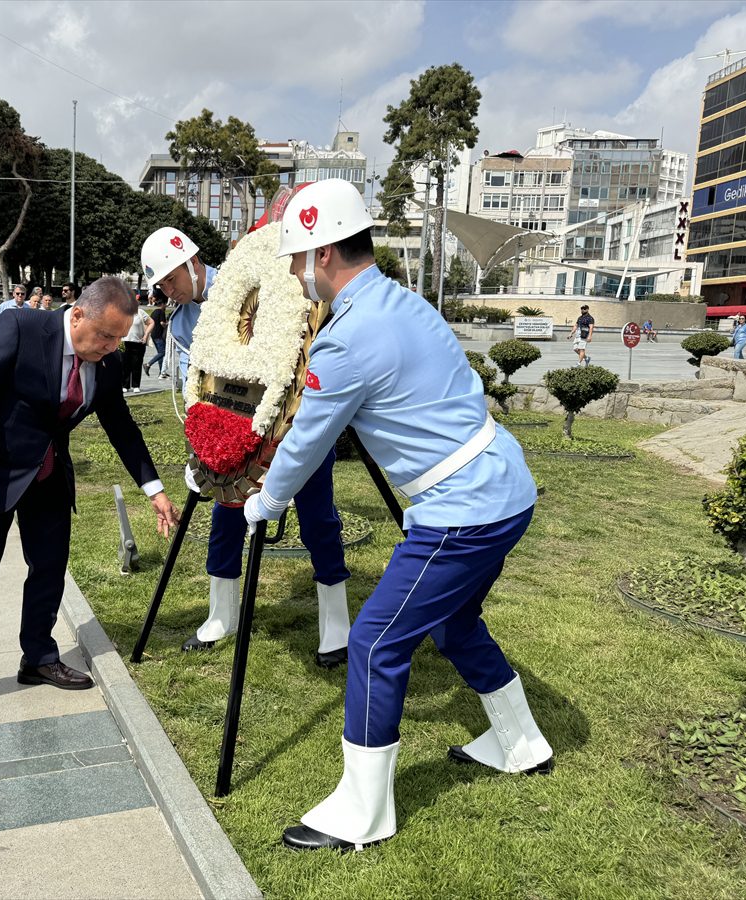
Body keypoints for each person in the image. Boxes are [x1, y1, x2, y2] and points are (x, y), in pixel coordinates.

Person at [243, 178, 551, 852]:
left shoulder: (347, 337)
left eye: (298, 259)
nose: (298, 274)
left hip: (463, 510)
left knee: (375, 642)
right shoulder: (404, 302)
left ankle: (364, 811)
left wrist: (262, 503)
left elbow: (304, 446)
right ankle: (522, 742)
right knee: (457, 624)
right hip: (505, 487)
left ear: (323, 255)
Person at [0, 277, 180, 727]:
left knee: (49, 567)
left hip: (48, 476)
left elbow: (122, 428)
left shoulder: (104, 363)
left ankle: (38, 658)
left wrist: (154, 489)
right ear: (78, 313)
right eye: (105, 335)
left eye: (118, 339)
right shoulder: (21, 327)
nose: (110, 347)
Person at [140, 227, 353, 665]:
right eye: (160, 284)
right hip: (229, 427)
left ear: (192, 262)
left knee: (317, 515)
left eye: (169, 278)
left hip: (292, 419)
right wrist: (200, 444)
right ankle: (222, 614)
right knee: (226, 516)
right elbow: (196, 382)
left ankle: (336, 621)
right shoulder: (182, 317)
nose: (167, 289)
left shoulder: (264, 278)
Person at [121, 302, 153, 393]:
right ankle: (125, 385)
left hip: (138, 342)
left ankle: (136, 385)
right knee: (125, 364)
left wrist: (146, 335)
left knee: (137, 364)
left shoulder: (141, 312)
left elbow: (151, 323)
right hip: (124, 341)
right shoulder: (123, 313)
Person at [143, 290, 168, 378]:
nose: (166, 306)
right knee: (163, 352)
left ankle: (161, 372)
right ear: (163, 304)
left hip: (154, 335)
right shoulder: (161, 312)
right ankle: (148, 364)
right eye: (166, 304)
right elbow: (162, 323)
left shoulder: (154, 312)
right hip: (159, 335)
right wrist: (168, 324)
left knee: (160, 353)